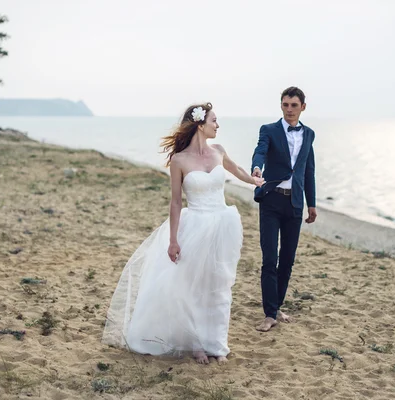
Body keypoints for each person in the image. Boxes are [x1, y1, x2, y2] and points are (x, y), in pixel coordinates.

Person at [102, 102, 264, 364]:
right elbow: (176, 202)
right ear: (200, 124)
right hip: (195, 226)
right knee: (192, 287)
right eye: (214, 121)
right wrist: (173, 239)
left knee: (219, 285)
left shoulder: (219, 151)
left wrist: (254, 180)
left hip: (223, 223)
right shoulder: (179, 161)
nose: (217, 125)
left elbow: (238, 171)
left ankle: (217, 345)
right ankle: (197, 344)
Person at [251, 86, 317, 332]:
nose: (289, 109)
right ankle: (269, 314)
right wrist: (257, 168)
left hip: (294, 204)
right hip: (271, 201)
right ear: (281, 105)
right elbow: (259, 151)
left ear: (302, 107)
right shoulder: (268, 130)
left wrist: (312, 203)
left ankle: (277, 306)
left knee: (287, 259)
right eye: (285, 105)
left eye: (294, 105)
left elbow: (308, 170)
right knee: (270, 259)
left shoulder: (309, 134)